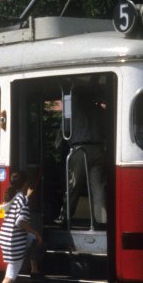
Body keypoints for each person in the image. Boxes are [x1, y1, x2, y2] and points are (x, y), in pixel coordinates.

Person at [0, 170, 44, 283]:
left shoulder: (12, 196)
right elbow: (20, 221)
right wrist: (36, 232)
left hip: (5, 237)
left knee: (11, 269)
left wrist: (27, 196)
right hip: (15, 240)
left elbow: (18, 205)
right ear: (25, 184)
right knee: (12, 273)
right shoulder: (23, 200)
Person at [61, 90, 107, 226]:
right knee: (98, 188)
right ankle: (101, 220)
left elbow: (65, 129)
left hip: (79, 149)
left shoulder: (72, 110)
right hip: (98, 149)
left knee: (73, 186)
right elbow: (105, 129)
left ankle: (66, 218)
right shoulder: (99, 110)